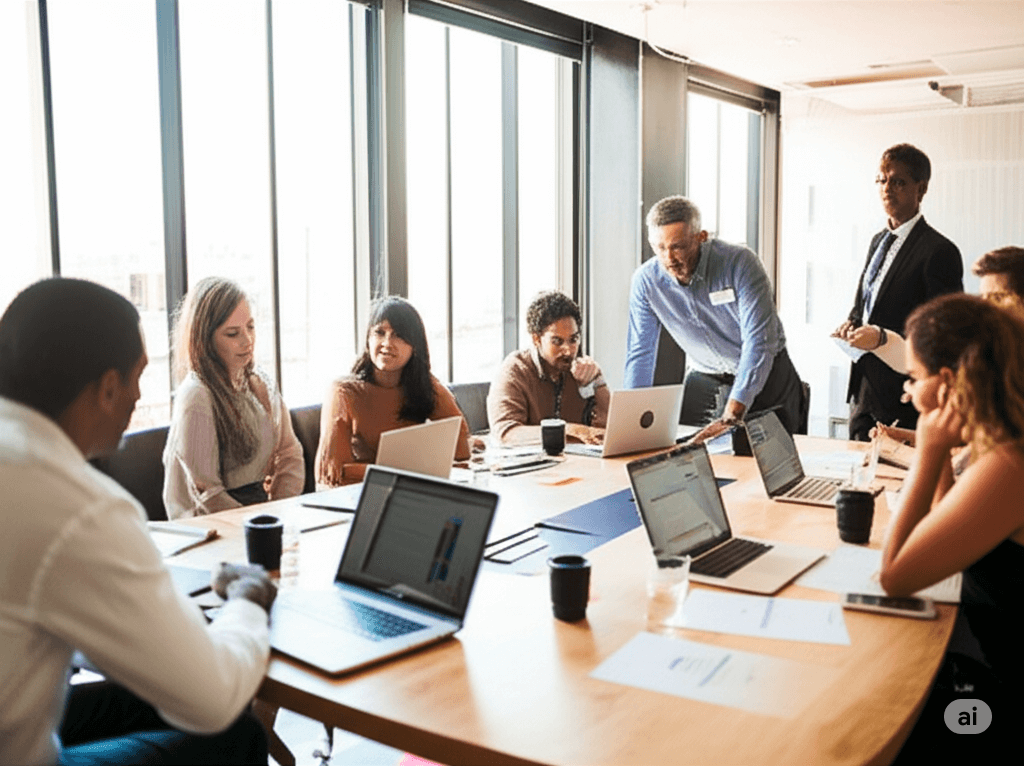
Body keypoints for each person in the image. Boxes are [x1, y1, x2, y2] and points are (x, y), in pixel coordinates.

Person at [0, 278, 275, 766]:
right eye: (137, 377)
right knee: (235, 730)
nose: (137, 396)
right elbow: (213, 697)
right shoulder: (77, 506)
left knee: (139, 700)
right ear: (109, 388)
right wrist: (247, 601)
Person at [879, 293, 1024, 759]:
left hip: (1003, 699)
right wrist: (939, 452)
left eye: (912, 378)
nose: (907, 392)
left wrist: (927, 448)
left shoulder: (1008, 464)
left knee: (885, 717)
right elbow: (947, 531)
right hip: (992, 658)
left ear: (945, 383)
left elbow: (896, 576)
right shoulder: (999, 440)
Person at [625, 195, 803, 443]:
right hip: (704, 377)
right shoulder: (645, 282)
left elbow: (759, 342)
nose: (669, 259)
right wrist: (632, 421)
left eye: (678, 246)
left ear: (701, 237)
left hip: (764, 373)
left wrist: (733, 412)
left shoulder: (739, 263)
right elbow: (641, 352)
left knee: (769, 466)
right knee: (688, 459)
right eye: (660, 248)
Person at [833, 143, 962, 441]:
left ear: (922, 188)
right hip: (863, 388)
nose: (886, 188)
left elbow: (944, 336)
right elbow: (865, 305)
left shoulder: (939, 251)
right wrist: (851, 324)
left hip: (904, 395)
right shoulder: (878, 241)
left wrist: (881, 336)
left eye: (898, 181)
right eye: (881, 180)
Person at [850, 245, 1024, 445]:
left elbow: (984, 458)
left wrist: (928, 446)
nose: (987, 309)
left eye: (998, 298)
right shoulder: (996, 363)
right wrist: (904, 439)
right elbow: (969, 446)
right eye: (983, 298)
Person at [163, 277, 305, 519]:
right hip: (207, 525)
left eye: (250, 327)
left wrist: (278, 512)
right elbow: (207, 493)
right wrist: (257, 525)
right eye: (232, 333)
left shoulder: (259, 383)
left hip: (254, 515)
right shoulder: (196, 395)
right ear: (205, 340)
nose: (247, 340)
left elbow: (290, 454)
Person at [316, 296, 470, 486]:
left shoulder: (426, 386)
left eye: (398, 335)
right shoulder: (343, 393)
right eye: (379, 333)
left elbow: (462, 451)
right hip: (359, 495)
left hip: (410, 493)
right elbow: (333, 474)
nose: (387, 343)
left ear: (415, 346)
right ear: (367, 341)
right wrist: (412, 471)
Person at [488, 290, 609, 446]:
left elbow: (607, 432)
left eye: (573, 339)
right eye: (557, 341)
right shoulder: (515, 371)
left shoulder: (581, 370)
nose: (568, 350)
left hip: (576, 464)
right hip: (530, 467)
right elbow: (507, 433)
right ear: (536, 339)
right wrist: (569, 430)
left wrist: (598, 382)